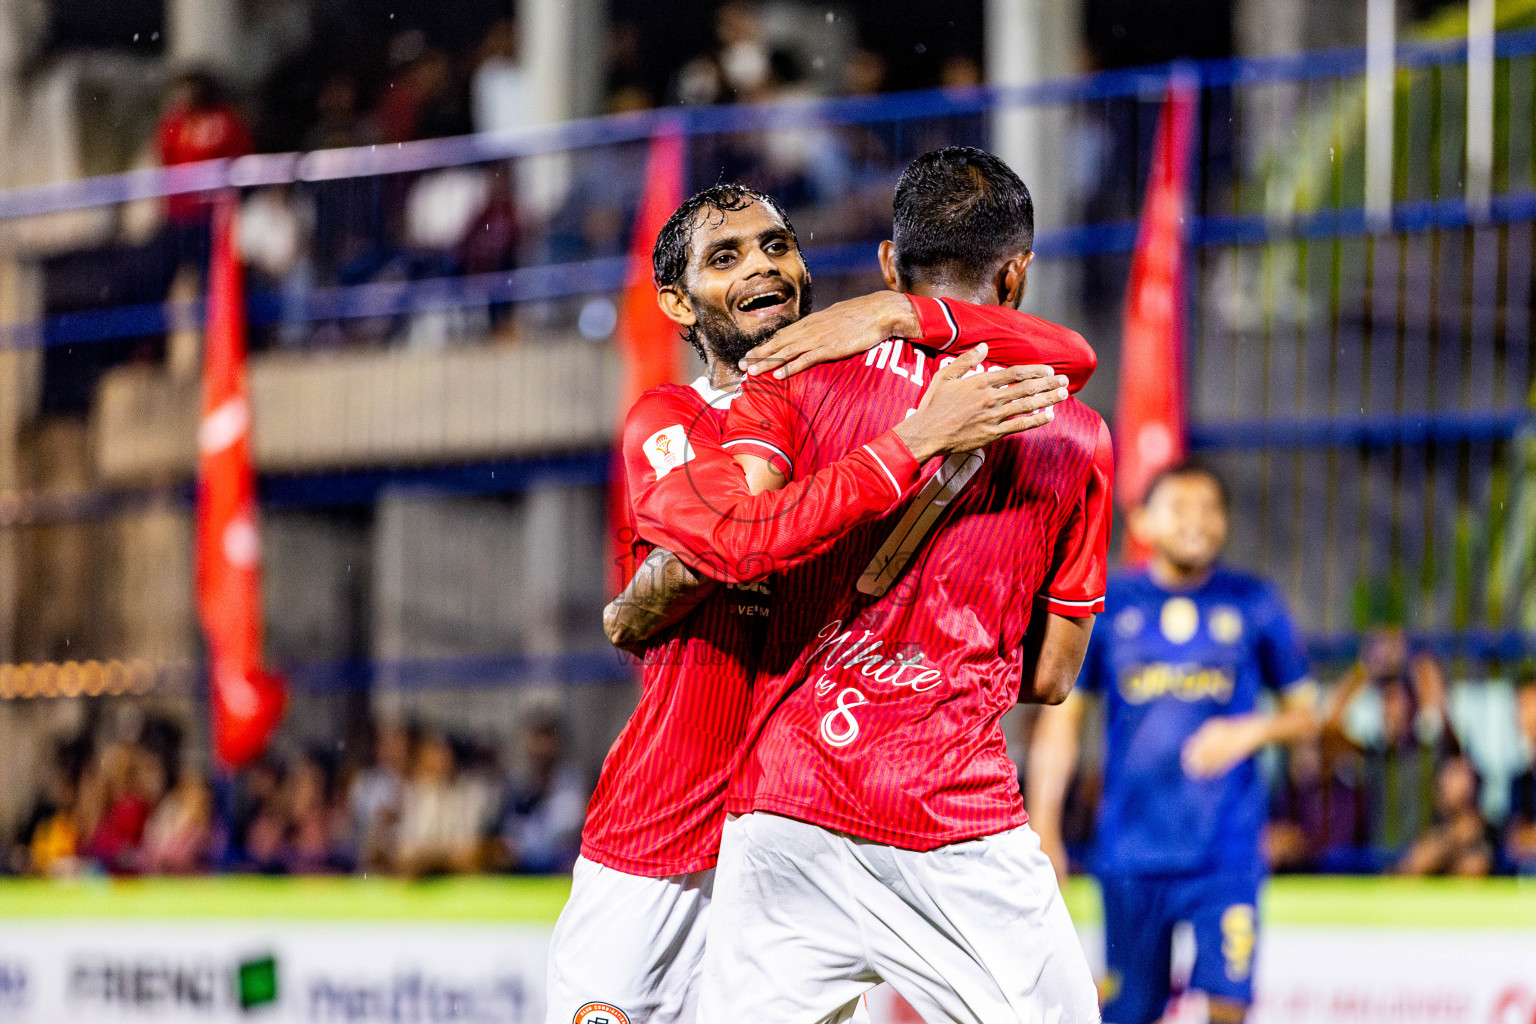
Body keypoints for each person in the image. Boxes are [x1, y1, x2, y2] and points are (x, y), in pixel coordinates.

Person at [547, 179, 1096, 1024]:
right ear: (677, 303)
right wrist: (909, 443)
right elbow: (726, 542)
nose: (762, 266)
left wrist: (898, 318)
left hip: (786, 814)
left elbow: (1069, 354)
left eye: (776, 245)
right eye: (725, 257)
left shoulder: (832, 389)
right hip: (666, 839)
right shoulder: (676, 418)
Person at [1029, 462, 1319, 1024]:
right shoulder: (1109, 603)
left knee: (1229, 1006)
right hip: (1131, 852)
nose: (1197, 522)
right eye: (1180, 508)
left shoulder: (1253, 601)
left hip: (1226, 852)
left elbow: (1308, 715)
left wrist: (1250, 730)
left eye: (1210, 509)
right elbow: (1063, 722)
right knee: (1130, 1010)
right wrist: (1045, 825)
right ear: (1142, 520)